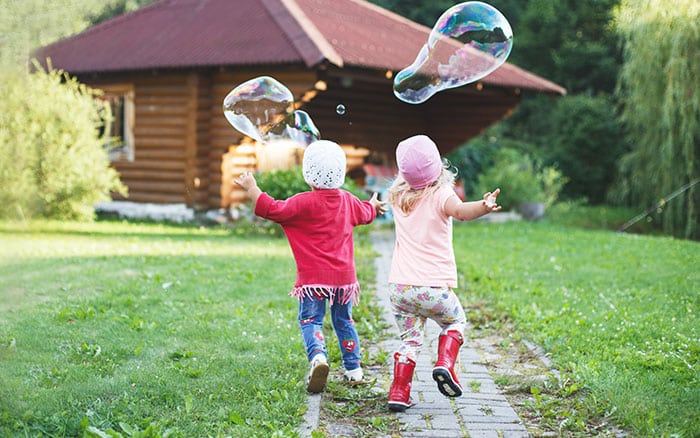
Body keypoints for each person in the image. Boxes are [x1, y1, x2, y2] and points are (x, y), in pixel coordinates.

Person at [234, 140, 387, 393]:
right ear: (340, 173)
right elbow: (366, 212)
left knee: (311, 320)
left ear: (308, 175)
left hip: (313, 280)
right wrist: (374, 205)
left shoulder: (302, 202)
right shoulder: (348, 201)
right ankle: (354, 370)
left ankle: (318, 358)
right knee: (344, 321)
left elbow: (271, 209)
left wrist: (253, 187)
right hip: (344, 280)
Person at [385, 134, 501, 412]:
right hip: (432, 288)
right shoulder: (440, 194)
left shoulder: (398, 196)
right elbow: (461, 211)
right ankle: (445, 364)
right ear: (437, 165)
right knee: (455, 321)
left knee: (410, 341)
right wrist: (483, 207)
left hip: (400, 288)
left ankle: (399, 392)